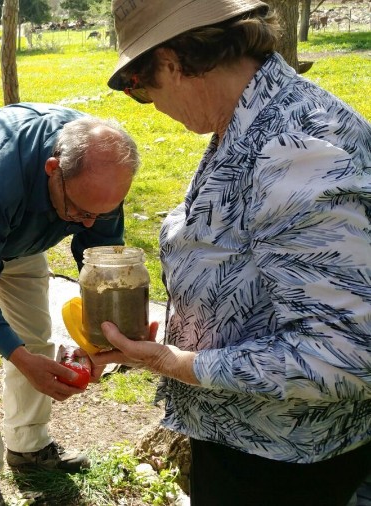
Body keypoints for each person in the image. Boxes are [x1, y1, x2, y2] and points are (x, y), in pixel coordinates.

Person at [94, 1, 371, 504]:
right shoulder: (249, 119)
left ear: (175, 61)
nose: (148, 102)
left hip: (285, 462)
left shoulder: (294, 147)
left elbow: (347, 355)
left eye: (139, 84)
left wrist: (180, 363)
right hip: (249, 440)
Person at [0, 103, 141, 505]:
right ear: (53, 170)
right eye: (81, 212)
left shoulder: (102, 177)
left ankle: (28, 445)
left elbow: (101, 258)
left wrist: (105, 334)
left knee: (36, 337)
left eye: (101, 212)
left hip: (22, 237)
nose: (89, 222)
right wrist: (16, 356)